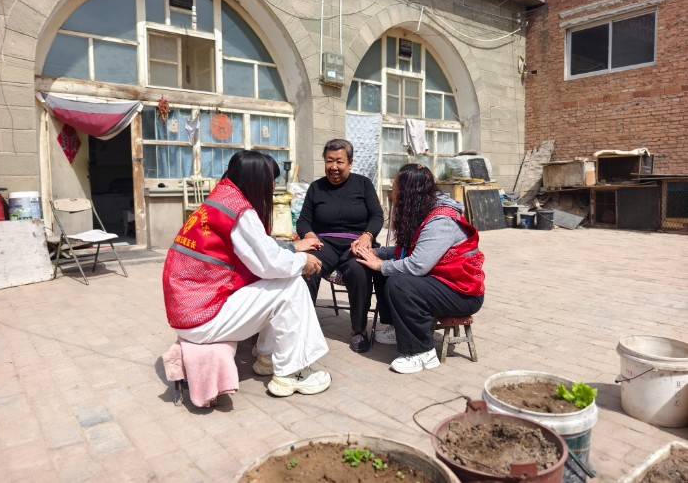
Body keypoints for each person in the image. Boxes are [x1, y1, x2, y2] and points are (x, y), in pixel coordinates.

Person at [163, 150, 331, 397]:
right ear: (257, 179)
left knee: (279, 281)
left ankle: (267, 357)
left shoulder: (221, 200)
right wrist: (302, 260)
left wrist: (293, 252)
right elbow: (269, 263)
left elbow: (260, 253)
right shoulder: (240, 211)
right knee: (291, 285)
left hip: (190, 309)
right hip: (203, 315)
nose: (273, 186)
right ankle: (290, 373)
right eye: (271, 180)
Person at [356, 164, 485, 374]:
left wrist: (381, 264)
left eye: (395, 188)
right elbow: (408, 250)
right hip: (442, 283)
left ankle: (421, 351)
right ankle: (397, 328)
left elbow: (418, 265)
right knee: (383, 273)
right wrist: (378, 253)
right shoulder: (423, 212)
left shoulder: (441, 220)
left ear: (409, 193)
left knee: (400, 283)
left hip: (462, 294)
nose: (392, 194)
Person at [296, 139, 384, 353]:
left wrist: (368, 235)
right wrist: (309, 235)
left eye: (339, 161)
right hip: (324, 243)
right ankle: (303, 327)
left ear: (350, 163)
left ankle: (359, 330)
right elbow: (304, 220)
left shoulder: (363, 184)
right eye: (329, 161)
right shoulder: (316, 188)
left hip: (355, 243)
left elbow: (377, 215)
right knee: (308, 265)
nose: (334, 167)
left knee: (359, 268)